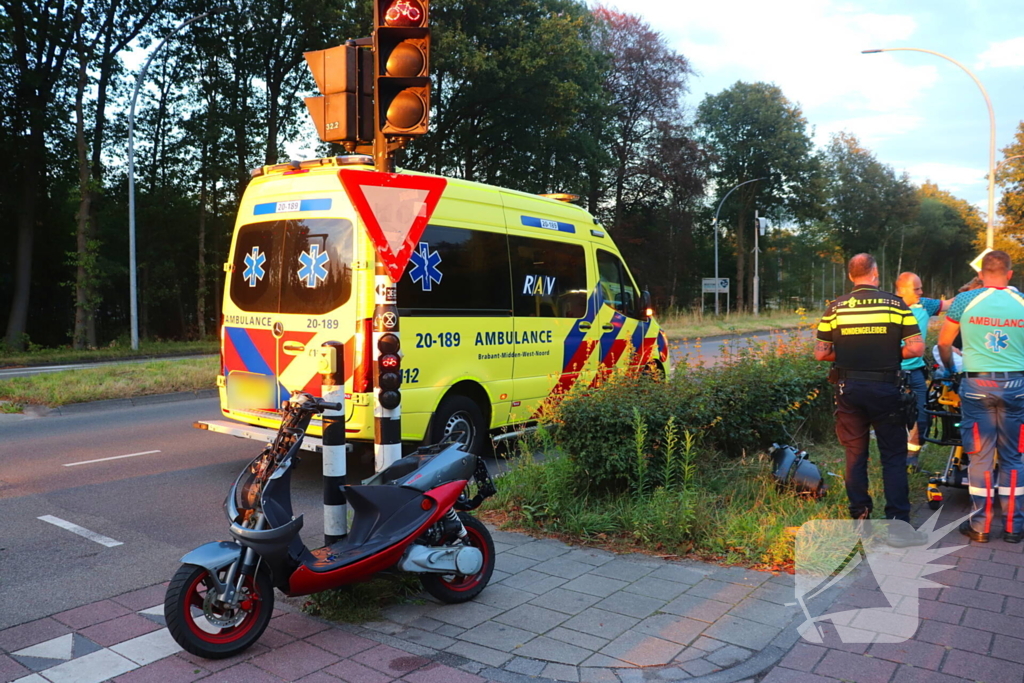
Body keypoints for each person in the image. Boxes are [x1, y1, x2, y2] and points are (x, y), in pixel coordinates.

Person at [815, 254, 927, 546]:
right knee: (892, 457)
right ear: (875, 274)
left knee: (855, 455)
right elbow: (916, 348)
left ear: (851, 276)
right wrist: (887, 354)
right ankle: (898, 530)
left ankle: (861, 523)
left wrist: (853, 356)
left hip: (849, 389)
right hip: (886, 389)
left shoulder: (835, 307)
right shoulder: (895, 304)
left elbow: (821, 353)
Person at [937, 250, 1024, 543]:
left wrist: (950, 369)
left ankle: (981, 526)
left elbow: (944, 342)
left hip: (976, 387)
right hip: (1016, 387)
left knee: (980, 459)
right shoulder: (1021, 302)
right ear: (1009, 275)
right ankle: (1014, 528)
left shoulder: (965, 300)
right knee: (1014, 458)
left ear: (982, 275)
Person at [894, 272, 951, 468]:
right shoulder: (888, 307)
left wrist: (976, 287)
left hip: (916, 372)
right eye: (916, 288)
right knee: (894, 418)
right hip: (891, 372)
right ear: (902, 290)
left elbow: (949, 305)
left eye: (921, 287)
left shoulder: (925, 304)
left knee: (923, 416)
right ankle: (896, 459)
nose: (921, 292)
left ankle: (912, 458)